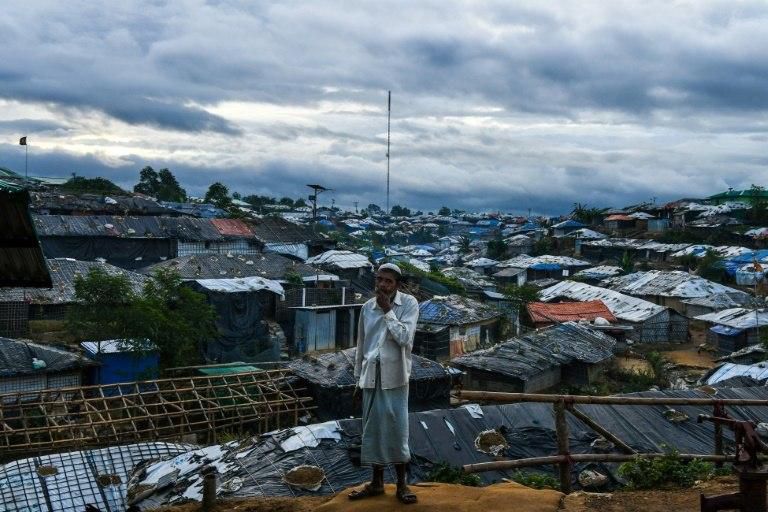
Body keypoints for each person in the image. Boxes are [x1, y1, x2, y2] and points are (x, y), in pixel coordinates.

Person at [349, 263, 419, 504]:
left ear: (397, 285)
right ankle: (377, 482)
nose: (382, 285)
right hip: (370, 376)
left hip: (396, 378)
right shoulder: (367, 308)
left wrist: (388, 311)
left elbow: (404, 338)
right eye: (379, 280)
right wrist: (358, 381)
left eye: (388, 281)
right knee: (373, 430)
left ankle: (402, 484)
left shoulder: (408, 304)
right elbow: (362, 346)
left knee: (397, 429)